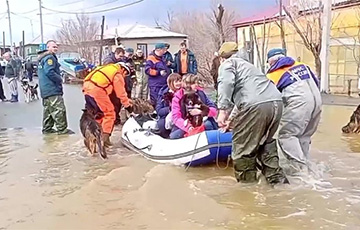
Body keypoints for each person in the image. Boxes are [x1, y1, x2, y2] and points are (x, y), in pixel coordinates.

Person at [216, 42, 288, 185]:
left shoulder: (228, 64)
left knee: (242, 151)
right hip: (276, 103)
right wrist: (231, 120)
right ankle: (278, 183)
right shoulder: (250, 67)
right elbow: (247, 99)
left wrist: (222, 111)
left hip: (255, 106)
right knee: (266, 144)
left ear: (222, 58)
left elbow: (226, 83)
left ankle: (247, 190)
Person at [266, 48, 322, 174]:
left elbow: (268, 100)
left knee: (286, 135)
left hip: (299, 104)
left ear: (270, 62)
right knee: (304, 135)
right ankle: (309, 168)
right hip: (317, 101)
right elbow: (316, 82)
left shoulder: (273, 75)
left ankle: (301, 172)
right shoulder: (303, 66)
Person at [82, 62, 132, 146]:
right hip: (97, 90)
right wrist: (127, 105)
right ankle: (105, 140)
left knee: (97, 114)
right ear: (123, 69)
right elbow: (121, 93)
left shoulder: (107, 68)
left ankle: (93, 136)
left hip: (86, 88)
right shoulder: (117, 73)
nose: (125, 76)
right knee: (110, 113)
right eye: (126, 74)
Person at [38, 40, 72, 134]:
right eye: (53, 47)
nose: (55, 48)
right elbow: (49, 71)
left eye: (56, 47)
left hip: (45, 89)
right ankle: (62, 130)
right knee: (59, 109)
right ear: (47, 48)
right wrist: (60, 79)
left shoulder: (42, 58)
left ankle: (47, 129)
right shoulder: (50, 58)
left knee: (48, 110)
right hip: (52, 88)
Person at [170, 74, 218, 139]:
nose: (196, 85)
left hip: (202, 121)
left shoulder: (201, 94)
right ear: (188, 85)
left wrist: (201, 111)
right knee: (174, 136)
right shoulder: (177, 98)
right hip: (186, 123)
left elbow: (214, 110)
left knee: (208, 125)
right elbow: (176, 118)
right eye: (194, 83)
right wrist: (188, 127)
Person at [156, 73, 182, 138]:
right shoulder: (163, 94)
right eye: (176, 81)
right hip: (167, 115)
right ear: (171, 83)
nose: (179, 83)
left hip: (180, 114)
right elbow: (159, 110)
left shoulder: (184, 92)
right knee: (161, 124)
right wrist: (170, 109)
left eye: (180, 81)